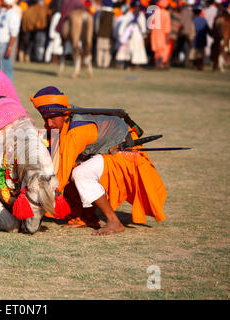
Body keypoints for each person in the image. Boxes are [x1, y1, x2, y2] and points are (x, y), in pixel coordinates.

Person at [30, 86, 167, 236]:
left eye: (52, 118)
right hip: (106, 152)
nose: (49, 124)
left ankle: (114, 221)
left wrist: (40, 200)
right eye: (45, 119)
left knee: (80, 173)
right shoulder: (61, 124)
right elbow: (54, 159)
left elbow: (60, 174)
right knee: (74, 168)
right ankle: (86, 217)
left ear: (65, 113)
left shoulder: (77, 131)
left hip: (124, 155)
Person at [115, 0, 148, 69]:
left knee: (138, 49)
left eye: (138, 7)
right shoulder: (129, 14)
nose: (137, 8)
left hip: (138, 35)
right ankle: (128, 65)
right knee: (128, 49)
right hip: (129, 34)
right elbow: (124, 24)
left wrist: (143, 33)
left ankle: (137, 65)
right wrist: (121, 32)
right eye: (135, 7)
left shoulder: (141, 15)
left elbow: (143, 26)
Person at [150, 0, 172, 69]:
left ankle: (158, 63)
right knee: (164, 49)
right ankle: (161, 62)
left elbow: (151, 25)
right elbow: (167, 27)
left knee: (157, 50)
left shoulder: (155, 12)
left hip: (155, 34)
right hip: (163, 34)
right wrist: (167, 36)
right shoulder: (166, 13)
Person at [189, 3, 211, 70]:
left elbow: (192, 32)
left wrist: (191, 40)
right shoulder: (204, 20)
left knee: (195, 55)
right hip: (203, 40)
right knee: (201, 54)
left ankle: (197, 66)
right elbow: (208, 30)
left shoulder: (194, 21)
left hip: (196, 41)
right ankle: (201, 66)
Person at [95, 0, 114, 68]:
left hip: (100, 35)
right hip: (108, 36)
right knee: (107, 51)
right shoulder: (112, 14)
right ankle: (105, 65)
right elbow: (113, 25)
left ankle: (99, 64)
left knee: (100, 50)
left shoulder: (100, 13)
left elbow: (97, 24)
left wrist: (97, 32)